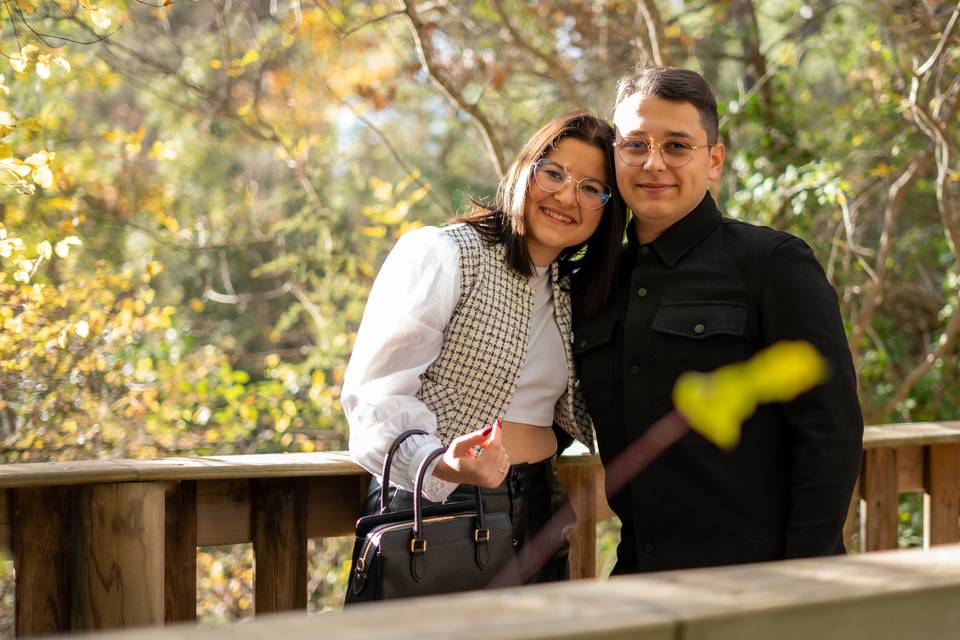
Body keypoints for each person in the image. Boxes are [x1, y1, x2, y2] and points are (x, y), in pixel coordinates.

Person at [572, 66, 863, 574]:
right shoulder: (592, 284)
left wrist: (806, 581)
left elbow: (830, 429)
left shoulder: (773, 264)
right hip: (639, 582)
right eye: (635, 144)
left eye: (678, 146)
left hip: (765, 583)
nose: (653, 163)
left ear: (714, 161)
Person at [342, 111, 626, 583]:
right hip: (436, 507)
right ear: (524, 171)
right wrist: (440, 463)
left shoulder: (575, 292)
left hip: (540, 508)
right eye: (553, 173)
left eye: (591, 187)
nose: (565, 196)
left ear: (606, 209)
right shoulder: (445, 253)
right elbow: (372, 398)